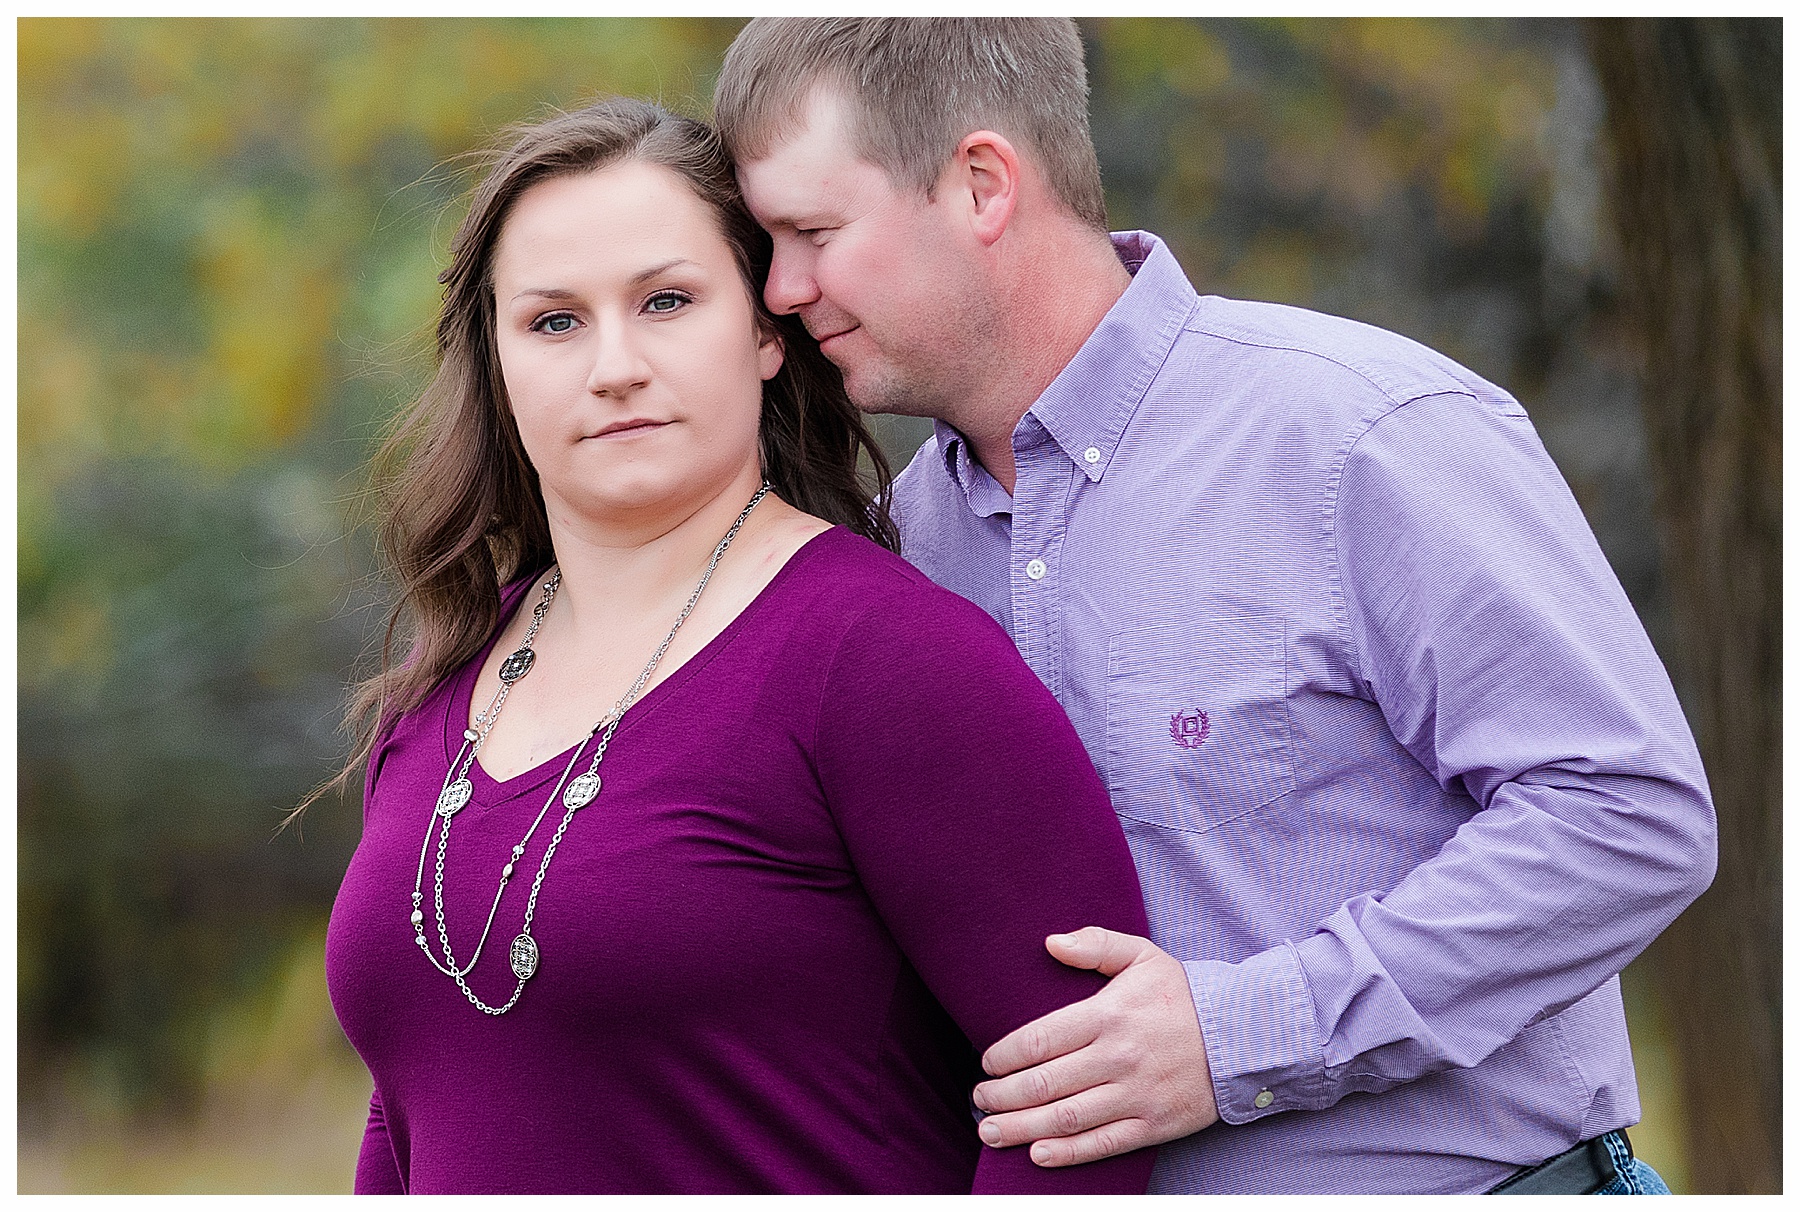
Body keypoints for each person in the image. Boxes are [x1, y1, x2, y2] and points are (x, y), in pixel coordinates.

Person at [716, 17, 1716, 1195]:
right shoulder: (891, 560)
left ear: (981, 183)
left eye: (812, 232)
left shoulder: (1362, 434)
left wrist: (1238, 1034)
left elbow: (1628, 814)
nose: (781, 290)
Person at [320, 96, 1158, 1195]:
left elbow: (1084, 1127)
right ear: (497, 361)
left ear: (765, 332)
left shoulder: (888, 662)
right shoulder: (444, 692)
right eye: (554, 321)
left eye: (666, 301)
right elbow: (415, 1111)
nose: (613, 364)